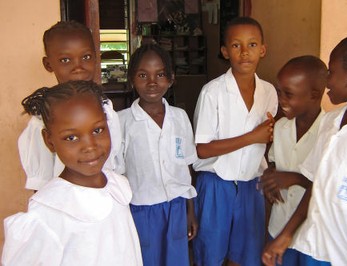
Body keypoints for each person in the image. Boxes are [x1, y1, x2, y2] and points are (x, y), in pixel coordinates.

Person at [262, 34, 347, 266]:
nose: (326, 80)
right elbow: (316, 184)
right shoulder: (331, 123)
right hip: (313, 247)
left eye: (331, 72)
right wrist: (285, 235)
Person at [2, 80, 142, 265]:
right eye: (72, 137)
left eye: (98, 130)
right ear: (49, 141)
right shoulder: (50, 213)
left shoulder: (117, 186)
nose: (90, 146)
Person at [192, 17, 278, 265]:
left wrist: (271, 168)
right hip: (216, 184)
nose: (244, 52)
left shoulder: (269, 92)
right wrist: (253, 137)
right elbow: (203, 150)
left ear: (262, 49)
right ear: (225, 51)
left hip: (252, 184)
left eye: (252, 45)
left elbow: (269, 139)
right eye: (236, 45)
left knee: (246, 255)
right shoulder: (213, 92)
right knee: (211, 254)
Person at [116, 43, 198, 266]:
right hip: (141, 211)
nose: (152, 82)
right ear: (132, 78)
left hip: (177, 207)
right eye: (143, 75)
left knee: (177, 260)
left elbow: (187, 166)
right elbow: (115, 174)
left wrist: (190, 211)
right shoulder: (121, 122)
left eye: (160, 74)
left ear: (171, 78)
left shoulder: (180, 117)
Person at [18, 21, 121, 191]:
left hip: (104, 198)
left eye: (86, 57)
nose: (78, 67)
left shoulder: (106, 108)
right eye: (66, 60)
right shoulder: (43, 119)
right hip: (66, 206)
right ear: (48, 64)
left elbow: (112, 161)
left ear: (96, 57)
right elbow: (40, 183)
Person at [260, 55, 328, 265]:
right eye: (279, 92)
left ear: (314, 95)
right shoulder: (280, 128)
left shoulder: (331, 133)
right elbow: (273, 164)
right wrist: (270, 179)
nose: (281, 100)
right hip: (279, 225)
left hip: (313, 236)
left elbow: (329, 186)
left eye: (288, 94)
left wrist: (295, 179)